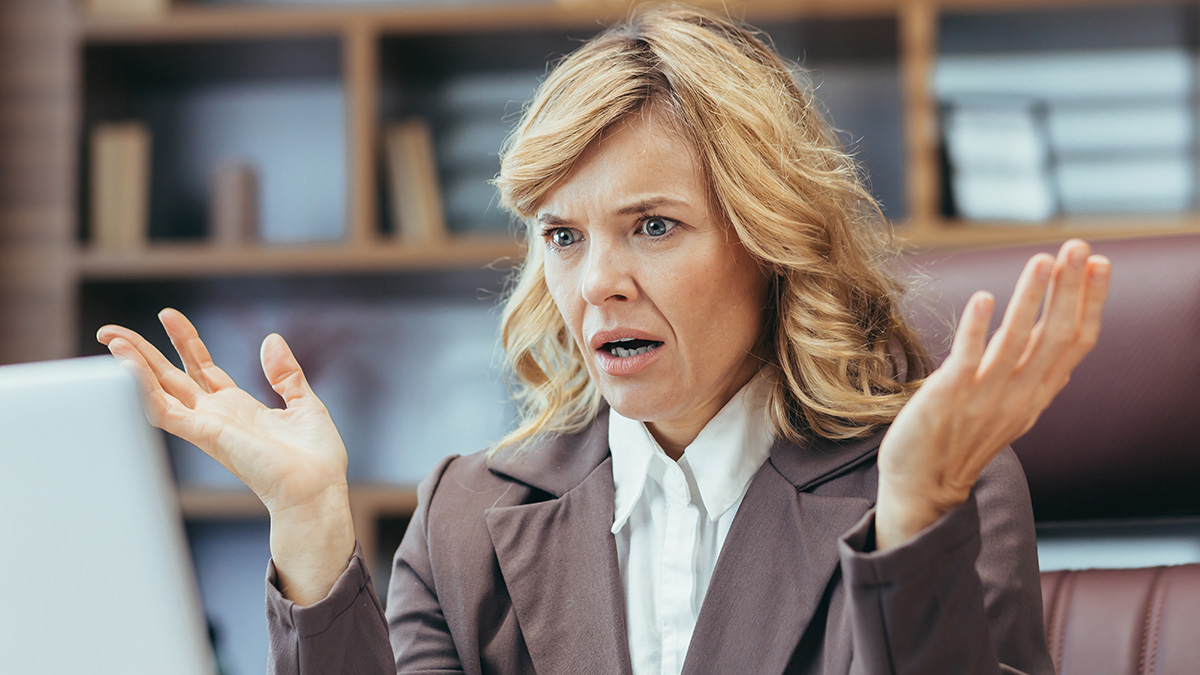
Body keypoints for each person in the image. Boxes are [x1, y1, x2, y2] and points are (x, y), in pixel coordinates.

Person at [97, 6, 1109, 674]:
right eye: (564, 237)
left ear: (769, 242)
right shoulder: (467, 516)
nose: (597, 284)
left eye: (653, 227)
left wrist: (914, 519)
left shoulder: (942, 485)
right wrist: (312, 523)